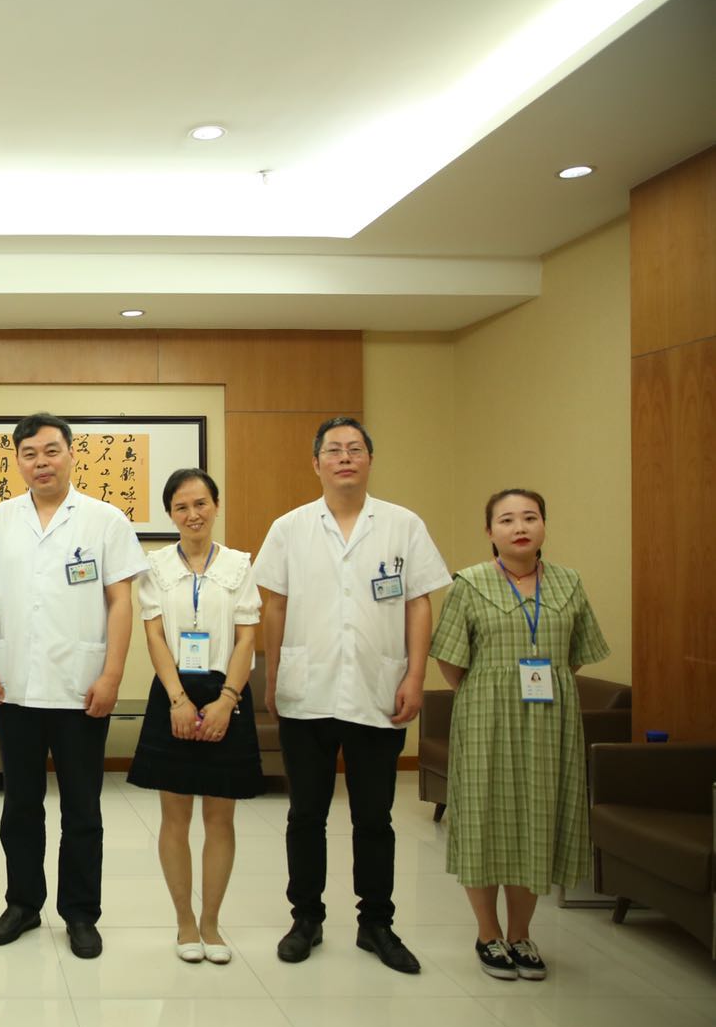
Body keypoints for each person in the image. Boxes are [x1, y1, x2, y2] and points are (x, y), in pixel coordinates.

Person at [255, 416, 450, 974]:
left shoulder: (402, 525)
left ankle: (377, 924)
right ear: (316, 463)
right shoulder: (290, 527)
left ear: (369, 460)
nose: (345, 457)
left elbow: (418, 602)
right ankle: (306, 919)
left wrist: (414, 676)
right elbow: (275, 605)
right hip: (307, 689)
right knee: (305, 815)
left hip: (377, 689)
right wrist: (273, 676)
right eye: (334, 450)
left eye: (355, 449)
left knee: (374, 817)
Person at [0, 413, 148, 959]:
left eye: (51, 450)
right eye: (29, 453)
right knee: (20, 806)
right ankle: (22, 904)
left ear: (71, 454)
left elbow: (120, 600)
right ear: (17, 461)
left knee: (82, 810)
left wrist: (112, 674)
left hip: (81, 687)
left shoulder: (104, 520)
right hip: (15, 686)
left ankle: (80, 914)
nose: (40, 462)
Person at [430, 489, 609, 981]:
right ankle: (488, 933)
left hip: (550, 717)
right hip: (485, 714)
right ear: (490, 532)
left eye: (530, 517)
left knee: (538, 818)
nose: (519, 527)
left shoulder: (569, 583)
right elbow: (451, 660)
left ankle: (521, 934)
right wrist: (494, 688)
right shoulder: (469, 583)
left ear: (544, 525)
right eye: (506, 520)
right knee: (484, 817)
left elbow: (576, 654)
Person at [127, 468, 262, 965]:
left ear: (216, 506)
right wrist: (178, 701)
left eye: (201, 503)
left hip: (227, 690)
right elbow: (154, 636)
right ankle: (185, 920)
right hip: (175, 690)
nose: (193, 514)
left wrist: (227, 700)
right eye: (181, 507)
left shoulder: (240, 565)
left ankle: (211, 923)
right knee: (175, 816)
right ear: (170, 514)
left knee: (220, 817)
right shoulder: (155, 567)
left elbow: (247, 638)